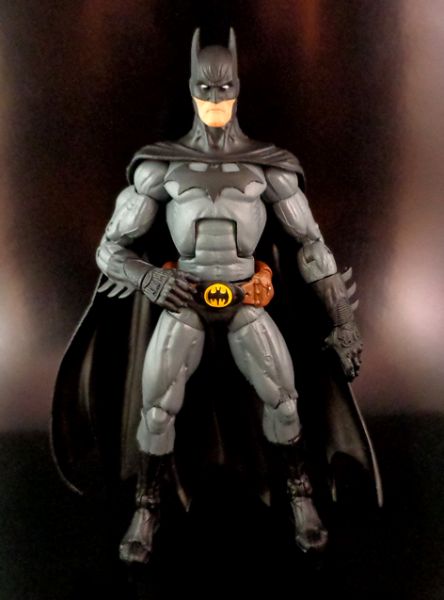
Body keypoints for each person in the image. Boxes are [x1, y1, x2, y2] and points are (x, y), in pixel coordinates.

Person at [52, 28, 380, 565]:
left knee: (285, 401)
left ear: (238, 87)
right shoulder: (162, 166)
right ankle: (147, 507)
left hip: (247, 299)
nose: (214, 98)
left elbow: (312, 248)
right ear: (190, 88)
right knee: (157, 409)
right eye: (204, 88)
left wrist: (343, 320)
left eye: (223, 87)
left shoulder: (266, 166)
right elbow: (110, 249)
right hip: (183, 300)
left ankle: (300, 495)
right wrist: (150, 279)